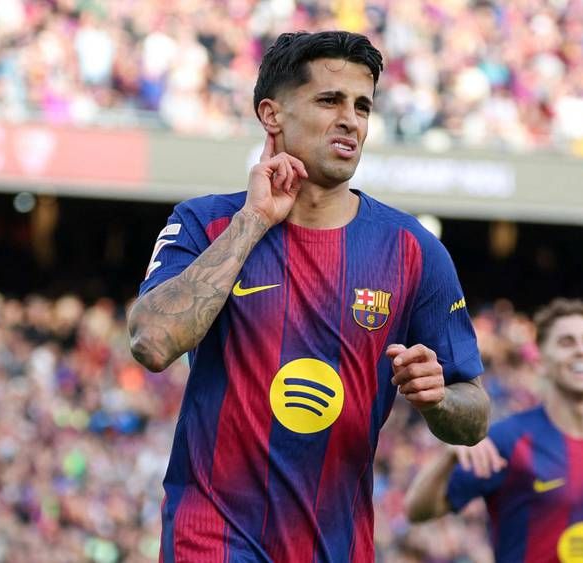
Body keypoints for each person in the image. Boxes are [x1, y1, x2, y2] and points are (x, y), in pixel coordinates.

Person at [127, 31, 490, 562]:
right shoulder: (206, 223)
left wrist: (439, 399)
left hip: (335, 545)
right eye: (329, 100)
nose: (350, 120)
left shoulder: (414, 250)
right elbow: (151, 342)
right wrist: (253, 221)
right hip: (211, 537)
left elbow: (474, 416)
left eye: (362, 106)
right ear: (271, 114)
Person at [404, 298, 583, 563]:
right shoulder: (509, 440)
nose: (581, 350)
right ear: (541, 361)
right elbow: (416, 510)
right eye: (566, 342)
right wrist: (448, 458)